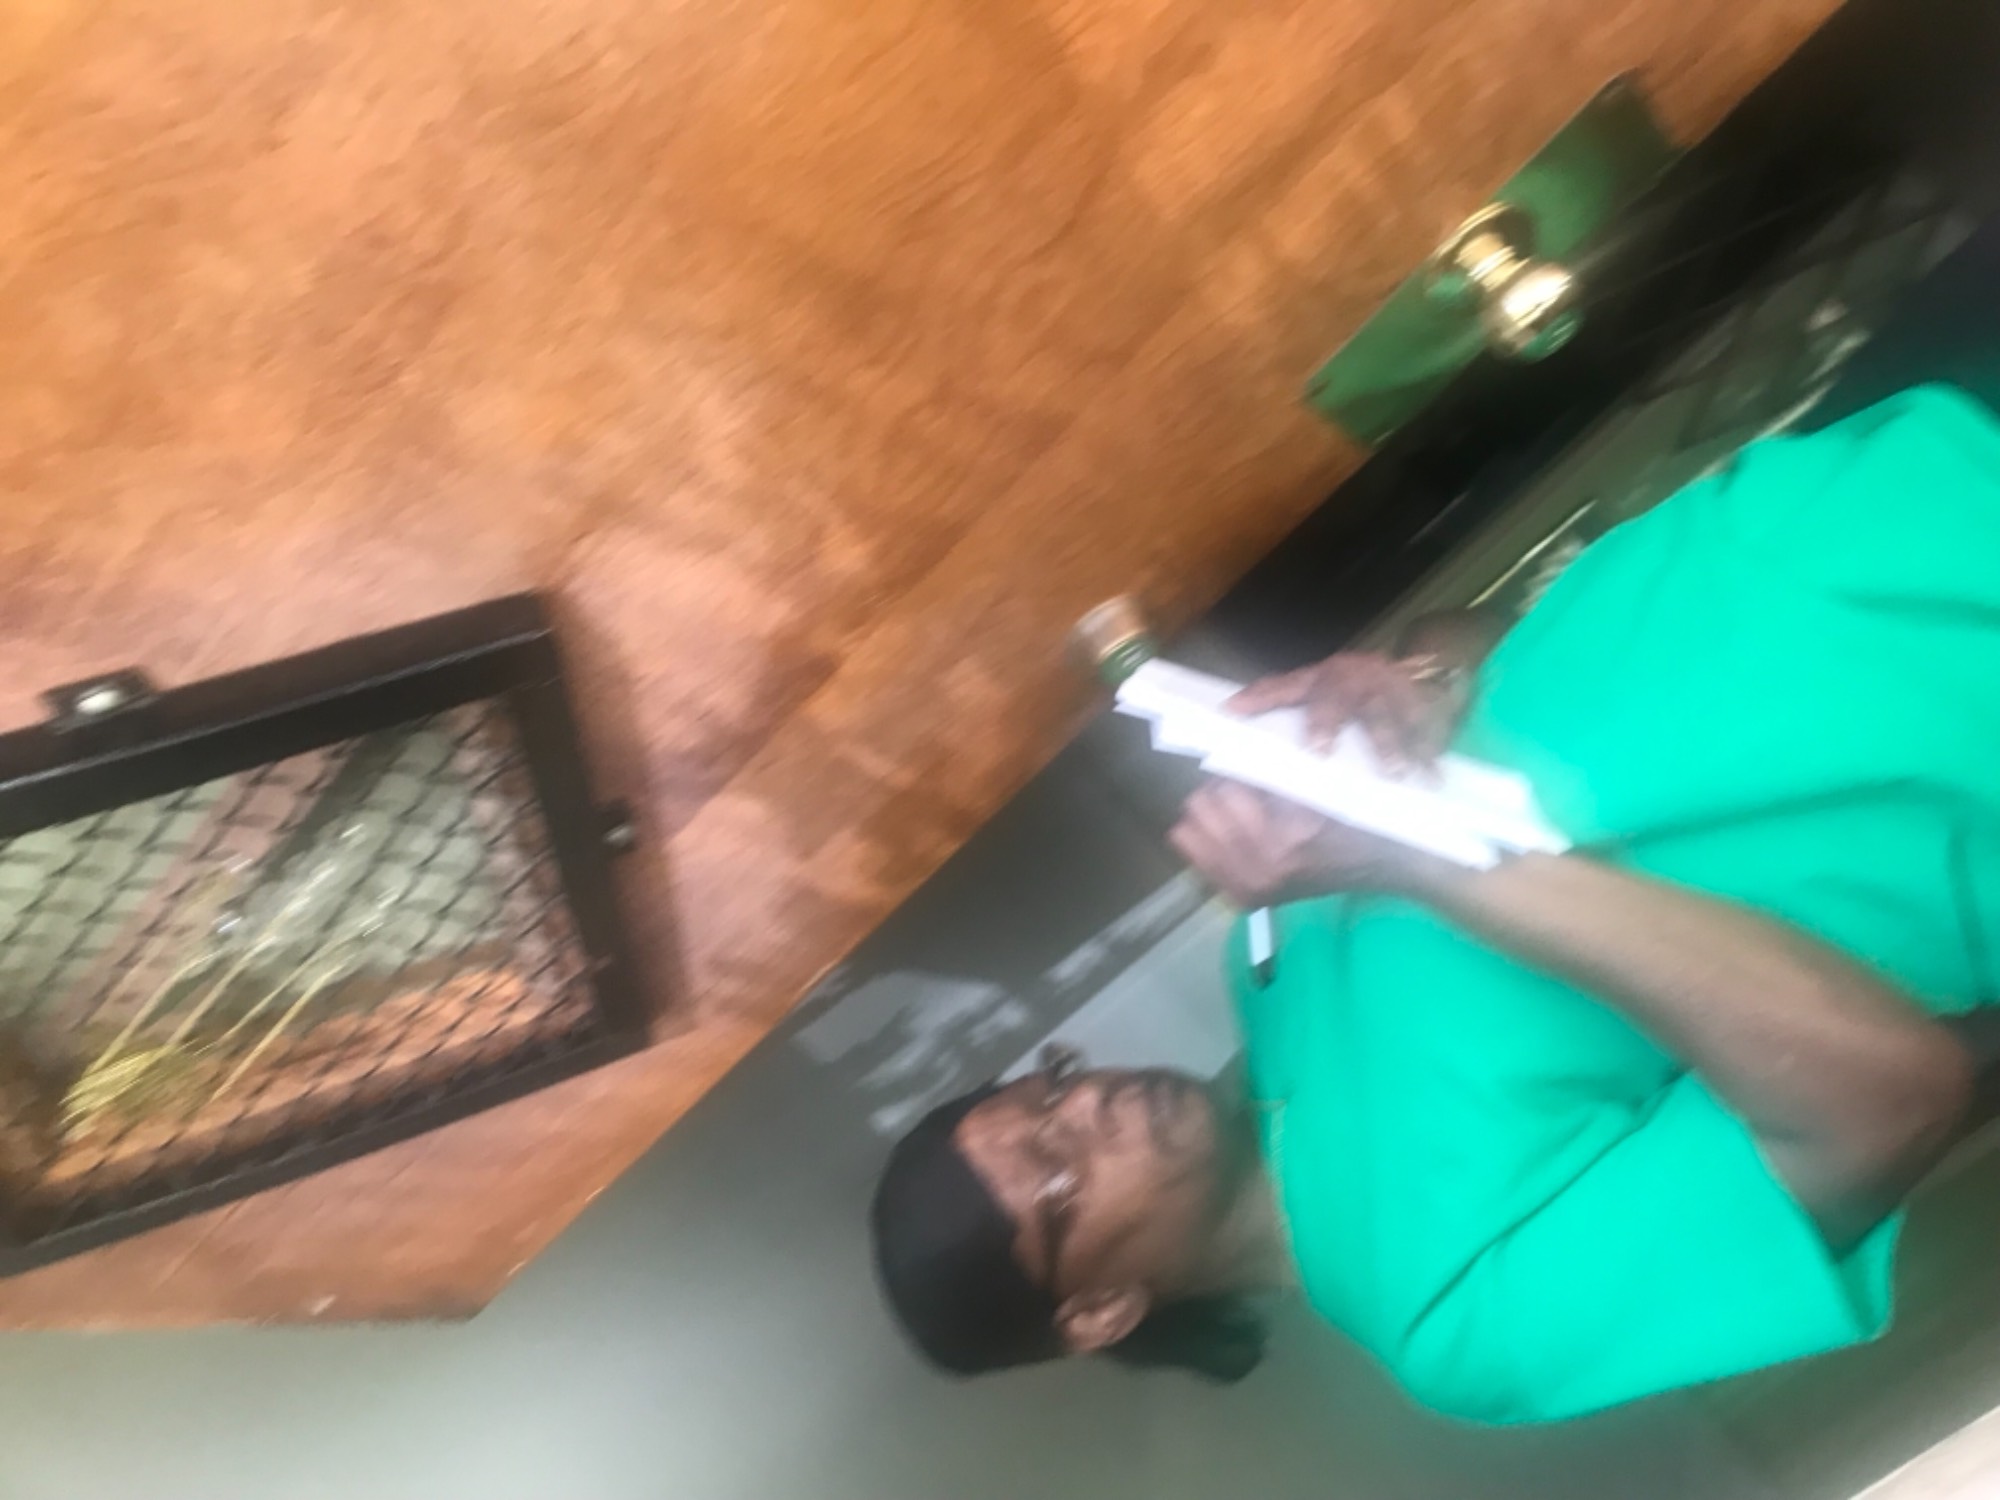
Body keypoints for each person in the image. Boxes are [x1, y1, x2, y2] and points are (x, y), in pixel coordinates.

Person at [868, 382, 2000, 1424]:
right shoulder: (1456, 1318)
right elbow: (1886, 1098)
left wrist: (1410, 682)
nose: (1092, 1107)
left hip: (1897, 470)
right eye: (1057, 1175)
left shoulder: (1261, 962)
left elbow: (1499, 675)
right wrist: (1419, 861)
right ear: (1100, 1310)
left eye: (1049, 1089)